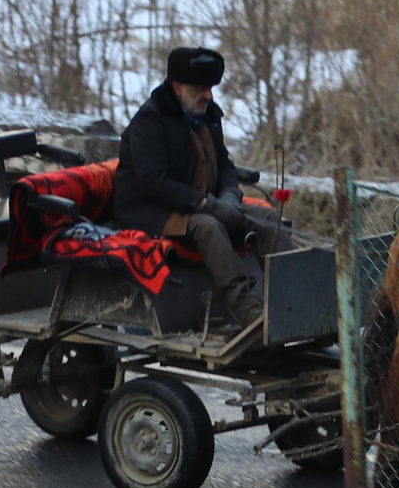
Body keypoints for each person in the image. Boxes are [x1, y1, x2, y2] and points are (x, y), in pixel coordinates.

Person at [112, 46, 284, 330]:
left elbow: (226, 165)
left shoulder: (207, 116)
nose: (209, 96)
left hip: (200, 204)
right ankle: (246, 310)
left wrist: (229, 197)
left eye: (211, 88)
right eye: (201, 88)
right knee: (208, 227)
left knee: (267, 219)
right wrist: (206, 204)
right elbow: (152, 182)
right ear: (178, 88)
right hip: (152, 211)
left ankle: (288, 298)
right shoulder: (150, 120)